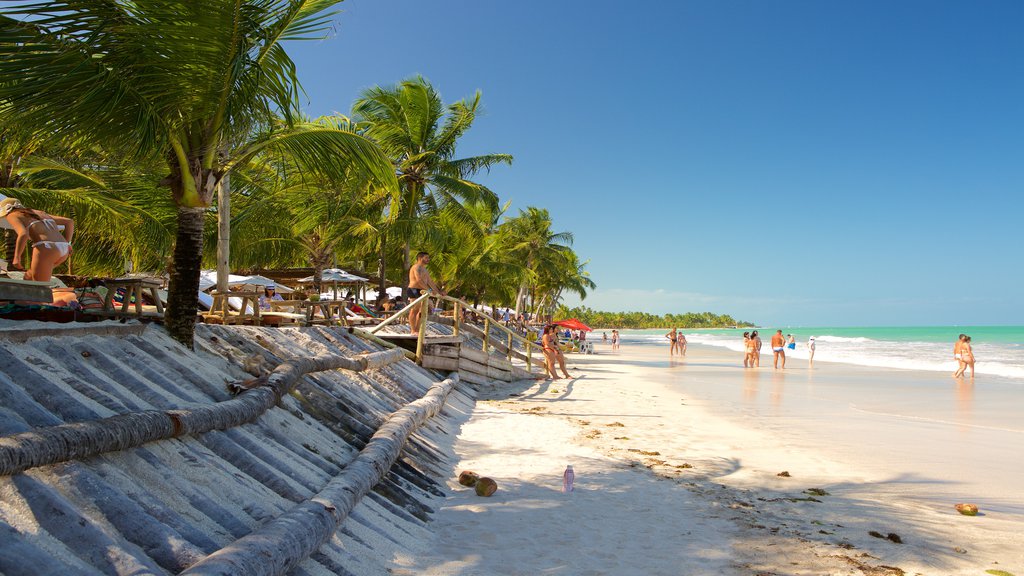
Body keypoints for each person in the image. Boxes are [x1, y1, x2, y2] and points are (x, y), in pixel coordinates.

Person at [1, 197, 75, 282]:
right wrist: (67, 243)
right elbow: (69, 222)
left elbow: (23, 234)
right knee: (28, 277)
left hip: (47, 248)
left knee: (39, 286)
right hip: (64, 249)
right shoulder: (38, 213)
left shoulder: (12, 215)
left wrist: (16, 257)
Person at [407, 251, 445, 333]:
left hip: (424, 291)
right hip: (414, 290)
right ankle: (413, 330)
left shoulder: (425, 269)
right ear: (420, 258)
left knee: (423, 310)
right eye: (426, 258)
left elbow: (430, 282)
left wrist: (438, 292)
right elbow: (418, 280)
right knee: (414, 310)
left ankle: (417, 330)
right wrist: (430, 290)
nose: (428, 259)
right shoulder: (416, 267)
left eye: (428, 258)